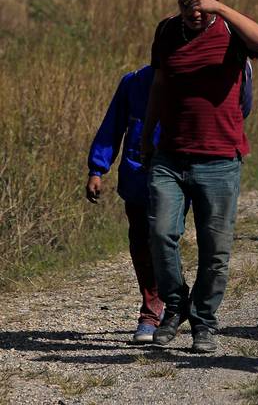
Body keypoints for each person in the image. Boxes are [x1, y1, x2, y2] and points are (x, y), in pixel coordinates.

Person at [142, 0, 258, 354]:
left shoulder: (232, 32)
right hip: (170, 155)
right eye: (186, 4)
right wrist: (146, 138)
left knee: (215, 250)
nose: (193, 13)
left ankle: (204, 322)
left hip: (219, 159)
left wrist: (223, 9)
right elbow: (159, 84)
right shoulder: (167, 31)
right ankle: (175, 305)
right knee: (161, 233)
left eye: (200, 5)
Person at [86, 65, 165, 343]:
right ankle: (152, 309)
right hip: (136, 175)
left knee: (166, 238)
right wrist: (97, 169)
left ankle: (175, 300)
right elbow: (113, 126)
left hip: (177, 174)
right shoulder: (134, 82)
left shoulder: (191, 79)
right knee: (141, 241)